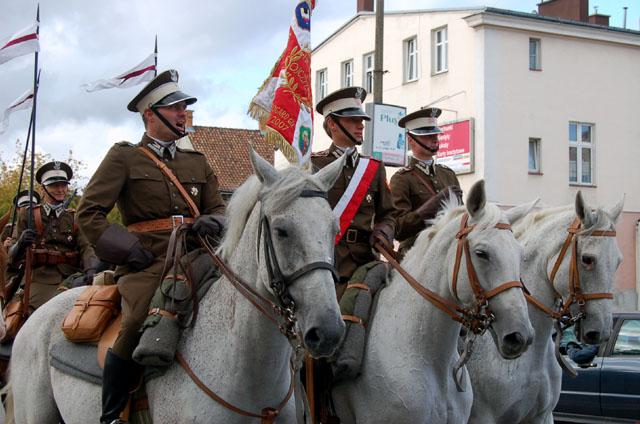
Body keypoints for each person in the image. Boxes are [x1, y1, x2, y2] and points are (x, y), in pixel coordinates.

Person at [77, 69, 226, 424]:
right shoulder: (125, 157)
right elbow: (89, 213)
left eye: (184, 107)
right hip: (147, 263)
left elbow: (219, 208)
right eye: (175, 108)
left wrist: (214, 221)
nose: (182, 114)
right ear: (150, 114)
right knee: (137, 320)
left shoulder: (197, 161)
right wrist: (129, 249)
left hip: (196, 257)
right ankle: (112, 413)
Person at [311, 86, 396, 299]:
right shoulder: (315, 165)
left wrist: (384, 231)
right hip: (327, 260)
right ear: (332, 123)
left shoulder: (374, 168)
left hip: (366, 262)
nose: (360, 126)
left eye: (361, 121)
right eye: (353, 120)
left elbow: (389, 214)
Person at [6, 162, 97, 311]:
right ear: (43, 188)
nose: (61, 190)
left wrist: (91, 269)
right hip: (40, 278)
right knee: (33, 314)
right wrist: (21, 243)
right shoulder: (28, 215)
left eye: (63, 185)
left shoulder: (74, 217)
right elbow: (11, 256)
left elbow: (86, 247)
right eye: (55, 186)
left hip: (71, 277)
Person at [390, 107, 462, 258]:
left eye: (435, 134)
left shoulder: (447, 174)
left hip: (449, 249)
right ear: (411, 140)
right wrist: (433, 204)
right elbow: (399, 229)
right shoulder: (402, 178)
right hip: (416, 253)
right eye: (427, 135)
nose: (434, 139)